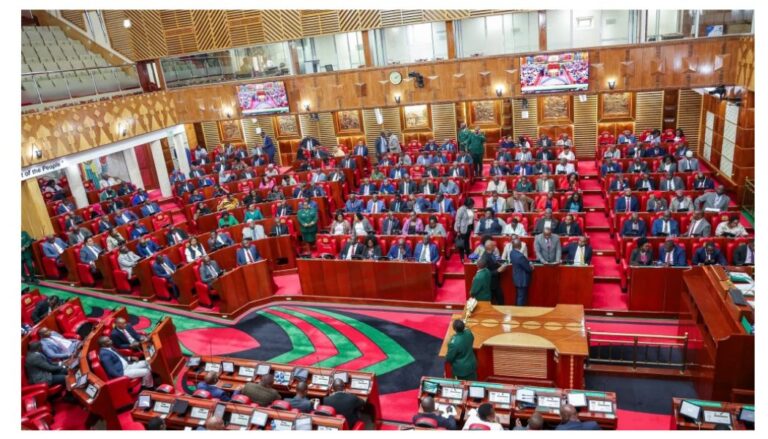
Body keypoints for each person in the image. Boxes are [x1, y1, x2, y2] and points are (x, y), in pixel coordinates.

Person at [508, 240, 533, 305]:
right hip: (522, 280)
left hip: (517, 278)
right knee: (521, 297)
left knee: (518, 296)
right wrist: (531, 267)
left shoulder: (512, 253)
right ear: (520, 246)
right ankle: (519, 310)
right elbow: (528, 269)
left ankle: (517, 309)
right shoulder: (520, 256)